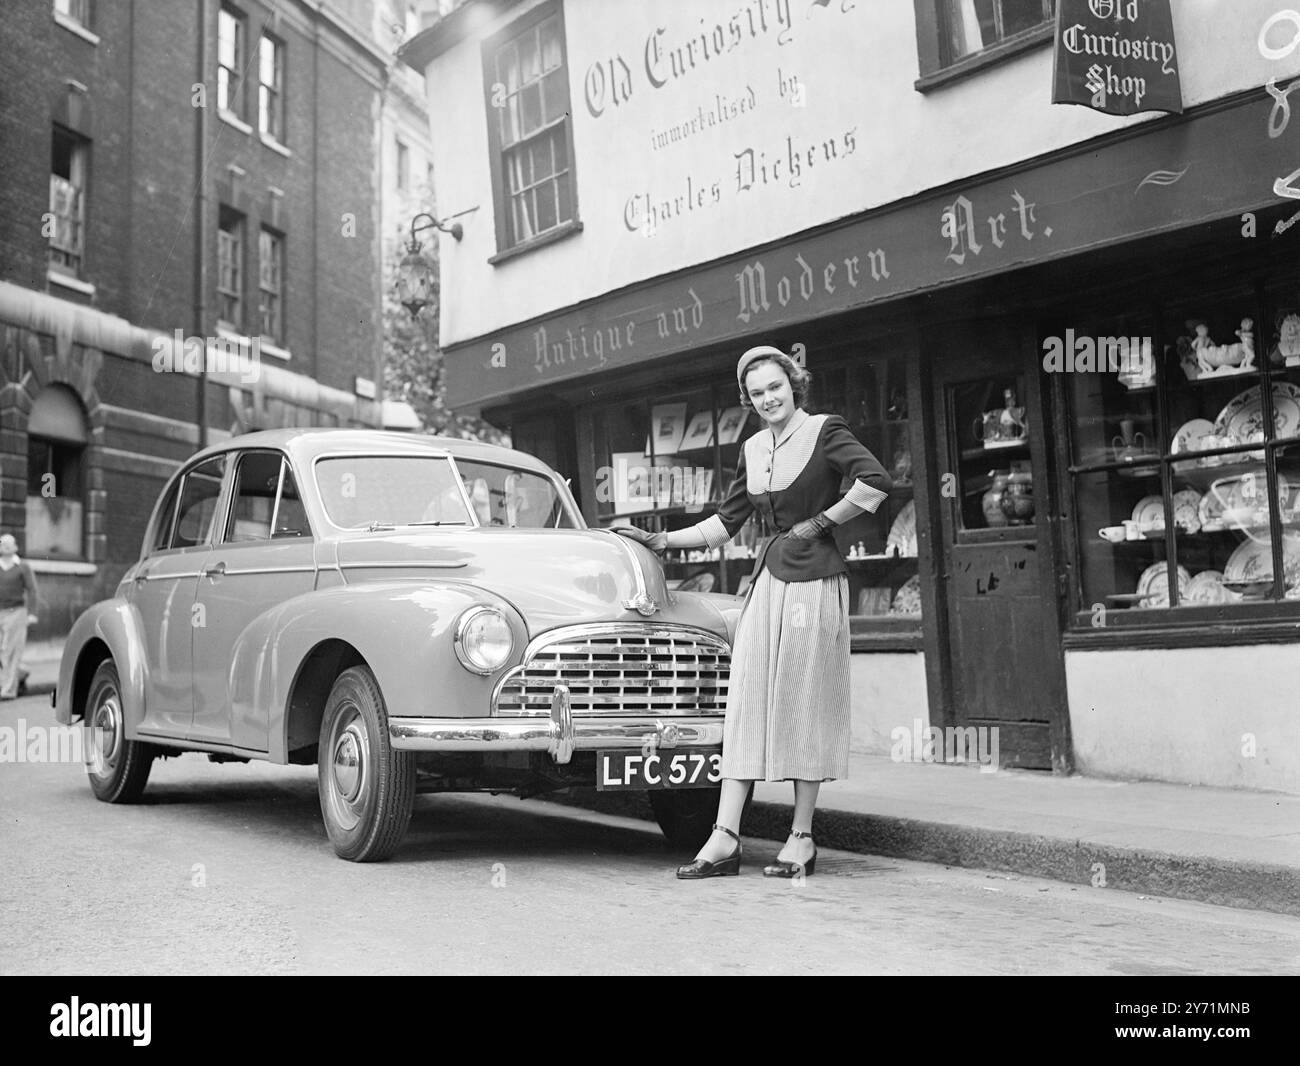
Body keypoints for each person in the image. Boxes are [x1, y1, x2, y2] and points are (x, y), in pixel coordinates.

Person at [614, 346, 891, 878]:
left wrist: (820, 523)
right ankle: (724, 837)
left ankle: (802, 837)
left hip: (814, 584)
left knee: (801, 701)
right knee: (745, 700)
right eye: (758, 393)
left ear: (794, 384)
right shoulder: (753, 447)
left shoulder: (826, 430)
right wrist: (661, 538)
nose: (768, 399)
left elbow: (875, 482)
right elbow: (727, 520)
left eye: (776, 388)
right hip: (767, 585)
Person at [0, 534, 39, 700]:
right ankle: (21, 675)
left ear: (15, 547)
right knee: (3, 652)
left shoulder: (22, 567)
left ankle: (8, 691)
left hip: (16, 612)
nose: (7, 546)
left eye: (10, 543)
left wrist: (32, 614)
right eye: (3, 543)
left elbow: (33, 590)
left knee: (11, 651)